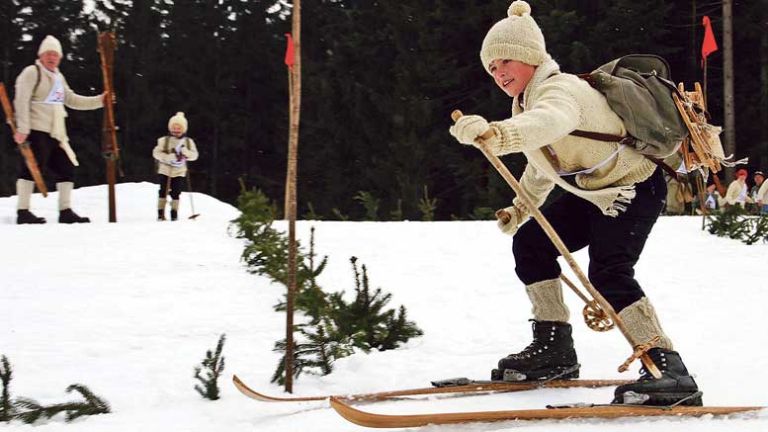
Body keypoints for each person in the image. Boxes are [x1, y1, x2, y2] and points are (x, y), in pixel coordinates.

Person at [449, 1, 701, 406]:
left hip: (632, 189)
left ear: (531, 56)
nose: (498, 73)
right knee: (531, 242)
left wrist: (498, 135)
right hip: (594, 191)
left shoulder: (559, 89)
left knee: (609, 272)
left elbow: (552, 123)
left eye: (506, 61)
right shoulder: (527, 102)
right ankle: (554, 350)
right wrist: (520, 207)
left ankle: (668, 368)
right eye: (491, 68)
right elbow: (541, 164)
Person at [13, 35, 106, 224]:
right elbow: (21, 100)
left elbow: (71, 100)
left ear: (60, 58)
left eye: (55, 55)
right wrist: (22, 128)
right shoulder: (32, 72)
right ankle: (23, 212)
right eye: (48, 54)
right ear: (40, 55)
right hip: (36, 129)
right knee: (32, 168)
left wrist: (99, 101)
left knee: (66, 167)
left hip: (56, 132)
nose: (51, 57)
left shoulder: (58, 77)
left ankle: (65, 211)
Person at [152, 112, 198, 221]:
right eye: (174, 128)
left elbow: (194, 156)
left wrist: (185, 152)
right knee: (163, 190)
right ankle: (160, 213)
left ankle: (174, 213)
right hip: (165, 170)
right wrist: (168, 157)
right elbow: (156, 153)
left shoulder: (188, 142)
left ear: (184, 129)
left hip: (179, 171)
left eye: (179, 128)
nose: (176, 130)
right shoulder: (164, 141)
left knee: (176, 192)